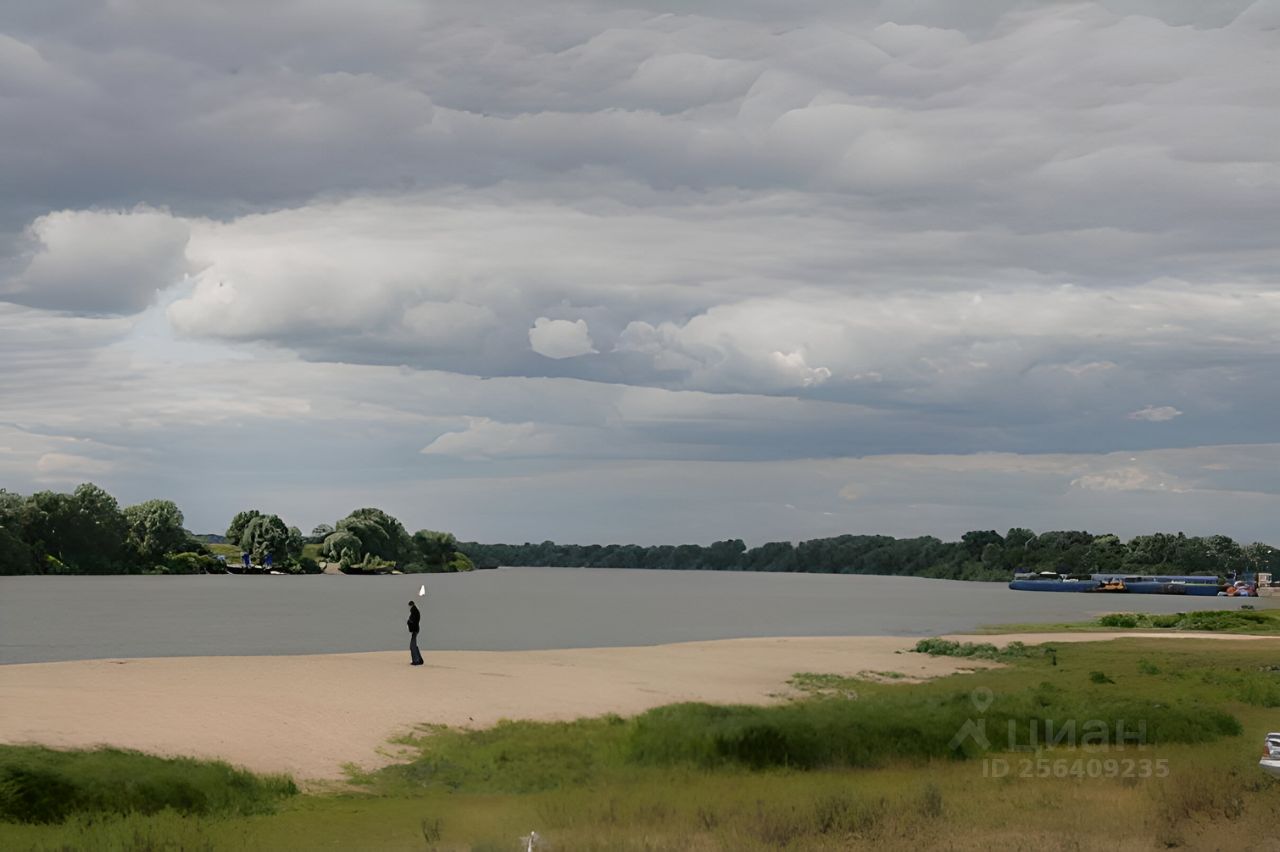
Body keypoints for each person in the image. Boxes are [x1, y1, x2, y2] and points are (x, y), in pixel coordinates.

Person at [406, 601, 424, 666]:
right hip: (415, 630)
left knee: (412, 646)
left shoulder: (414, 612)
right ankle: (419, 659)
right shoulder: (415, 611)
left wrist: (409, 622)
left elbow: (413, 621)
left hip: (415, 630)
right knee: (414, 645)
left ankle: (416, 660)